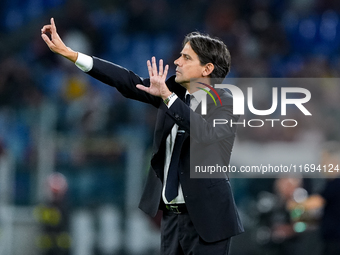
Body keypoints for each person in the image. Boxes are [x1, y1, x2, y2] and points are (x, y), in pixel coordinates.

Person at [41, 17, 244, 255]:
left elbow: (204, 132)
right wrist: (73, 55)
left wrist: (168, 97)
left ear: (207, 69)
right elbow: (127, 81)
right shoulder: (173, 94)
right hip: (172, 219)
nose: (177, 61)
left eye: (186, 57)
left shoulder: (225, 101)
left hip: (209, 219)